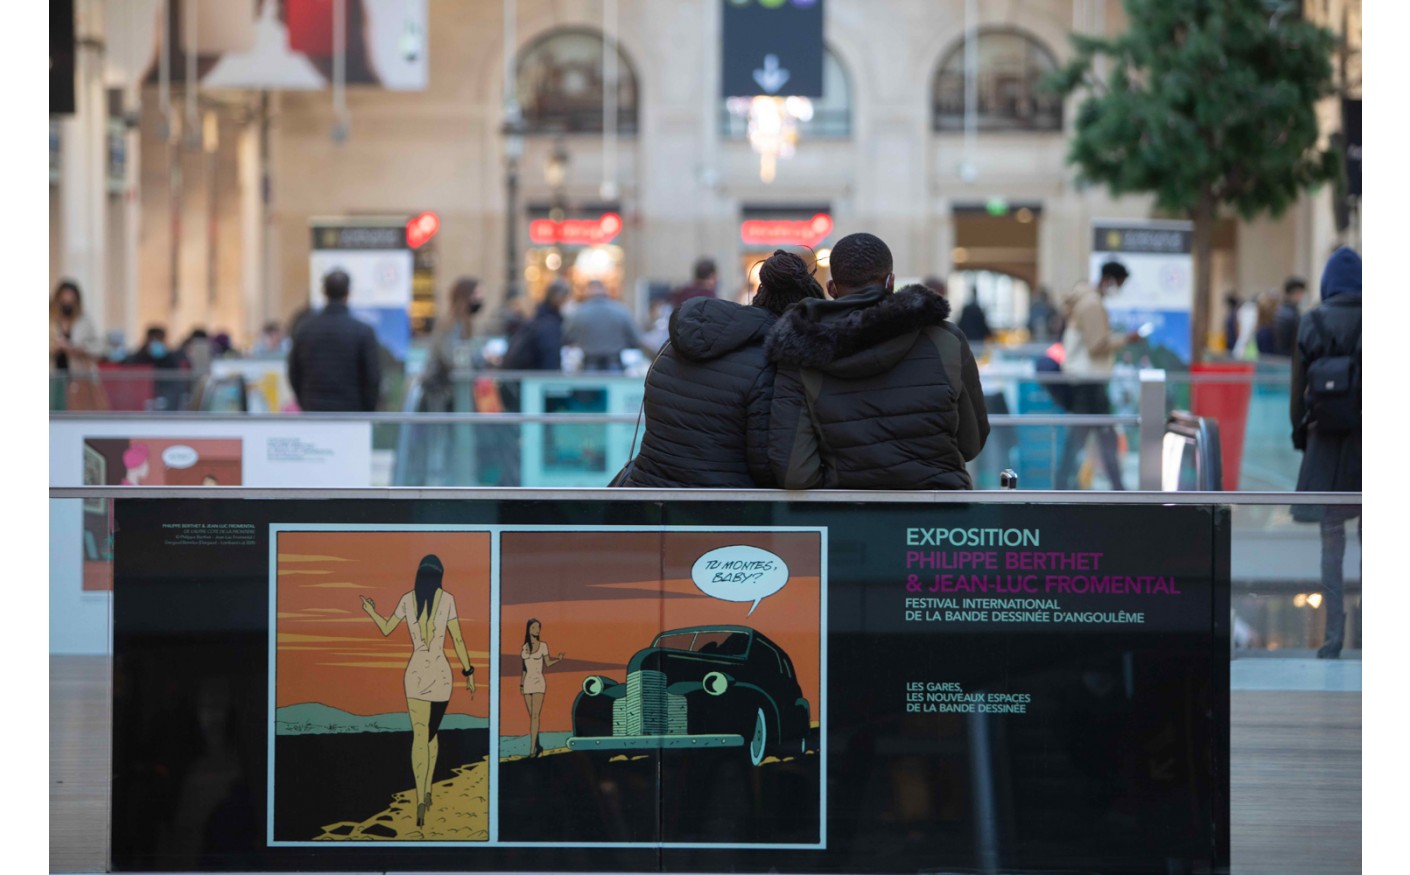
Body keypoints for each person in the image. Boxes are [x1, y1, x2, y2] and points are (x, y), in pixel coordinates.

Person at [766, 232, 989, 489]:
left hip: (847, 518)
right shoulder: (947, 340)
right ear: (891, 282)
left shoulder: (800, 349)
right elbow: (971, 443)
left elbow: (797, 473)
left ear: (832, 289)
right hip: (939, 519)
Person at [625, 249, 827, 488]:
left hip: (646, 501)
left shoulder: (672, 346)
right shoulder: (768, 366)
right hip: (719, 511)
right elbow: (765, 467)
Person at [360, 555, 475, 828]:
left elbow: (387, 628)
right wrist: (469, 672)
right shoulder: (447, 600)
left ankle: (422, 795)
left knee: (421, 736)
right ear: (439, 577)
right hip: (440, 675)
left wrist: (370, 611)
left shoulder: (406, 599)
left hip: (414, 675)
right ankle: (426, 793)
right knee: (430, 737)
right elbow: (457, 638)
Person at [1290, 247, 1361, 659]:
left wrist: (1302, 436)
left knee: (1331, 546)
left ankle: (1334, 636)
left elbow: (1297, 393)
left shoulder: (1311, 321)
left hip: (1326, 449)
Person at [1054, 261, 1140, 490]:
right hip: (1089, 380)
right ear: (1109, 279)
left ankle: (1067, 484)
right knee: (1096, 436)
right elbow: (1096, 344)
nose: (1119, 289)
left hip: (1086, 379)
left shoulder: (1087, 300)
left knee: (1092, 436)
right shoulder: (1092, 304)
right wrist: (1126, 339)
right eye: (1119, 283)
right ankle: (1115, 486)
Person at [287, 269, 382, 412]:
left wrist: (305, 402)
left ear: (324, 291)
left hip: (313, 410)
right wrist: (366, 409)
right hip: (351, 412)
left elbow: (293, 372)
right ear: (348, 293)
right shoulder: (363, 331)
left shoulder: (304, 329)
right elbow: (372, 378)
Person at [421, 277, 485, 411]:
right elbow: (452, 357)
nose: (480, 298)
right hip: (443, 392)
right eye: (476, 294)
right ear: (465, 296)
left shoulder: (464, 324)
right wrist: (478, 359)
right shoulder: (451, 324)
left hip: (454, 391)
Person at [563, 280, 645, 372]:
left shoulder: (578, 312)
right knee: (616, 386)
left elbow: (567, 337)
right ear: (605, 291)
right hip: (614, 364)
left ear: (588, 292)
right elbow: (636, 338)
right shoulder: (621, 310)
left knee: (592, 386)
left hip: (589, 365)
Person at [49, 280, 105, 409]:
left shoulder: (85, 321)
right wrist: (54, 347)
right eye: (64, 298)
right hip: (53, 376)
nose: (67, 303)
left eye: (71, 299)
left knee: (77, 413)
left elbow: (99, 347)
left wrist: (76, 349)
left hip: (79, 377)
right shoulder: (49, 321)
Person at [519, 618, 564, 759]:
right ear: (529, 629)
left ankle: (532, 750)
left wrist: (559, 659)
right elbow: (524, 668)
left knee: (535, 716)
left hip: (539, 683)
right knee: (532, 717)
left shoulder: (543, 645)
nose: (537, 630)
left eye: (538, 627)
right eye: (534, 627)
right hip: (527, 684)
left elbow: (548, 663)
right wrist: (521, 684)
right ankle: (538, 746)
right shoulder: (524, 647)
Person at [501, 280, 570, 371]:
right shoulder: (549, 324)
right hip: (533, 378)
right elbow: (550, 359)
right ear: (561, 299)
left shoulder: (539, 319)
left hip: (526, 375)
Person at [126, 325, 190, 411]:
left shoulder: (171, 358)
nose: (156, 342)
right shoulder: (138, 357)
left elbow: (176, 381)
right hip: (141, 401)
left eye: (159, 339)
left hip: (166, 399)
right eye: (153, 339)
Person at [1273, 276, 1307, 357]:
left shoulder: (1279, 311)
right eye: (1302, 293)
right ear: (1297, 293)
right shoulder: (1293, 316)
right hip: (1288, 358)